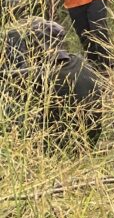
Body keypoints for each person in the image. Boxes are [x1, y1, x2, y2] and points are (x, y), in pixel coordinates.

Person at [4, 18, 103, 147]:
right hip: (89, 141)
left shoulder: (45, 76)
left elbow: (20, 82)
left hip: (64, 147)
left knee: (11, 109)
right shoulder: (79, 61)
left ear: (38, 46)